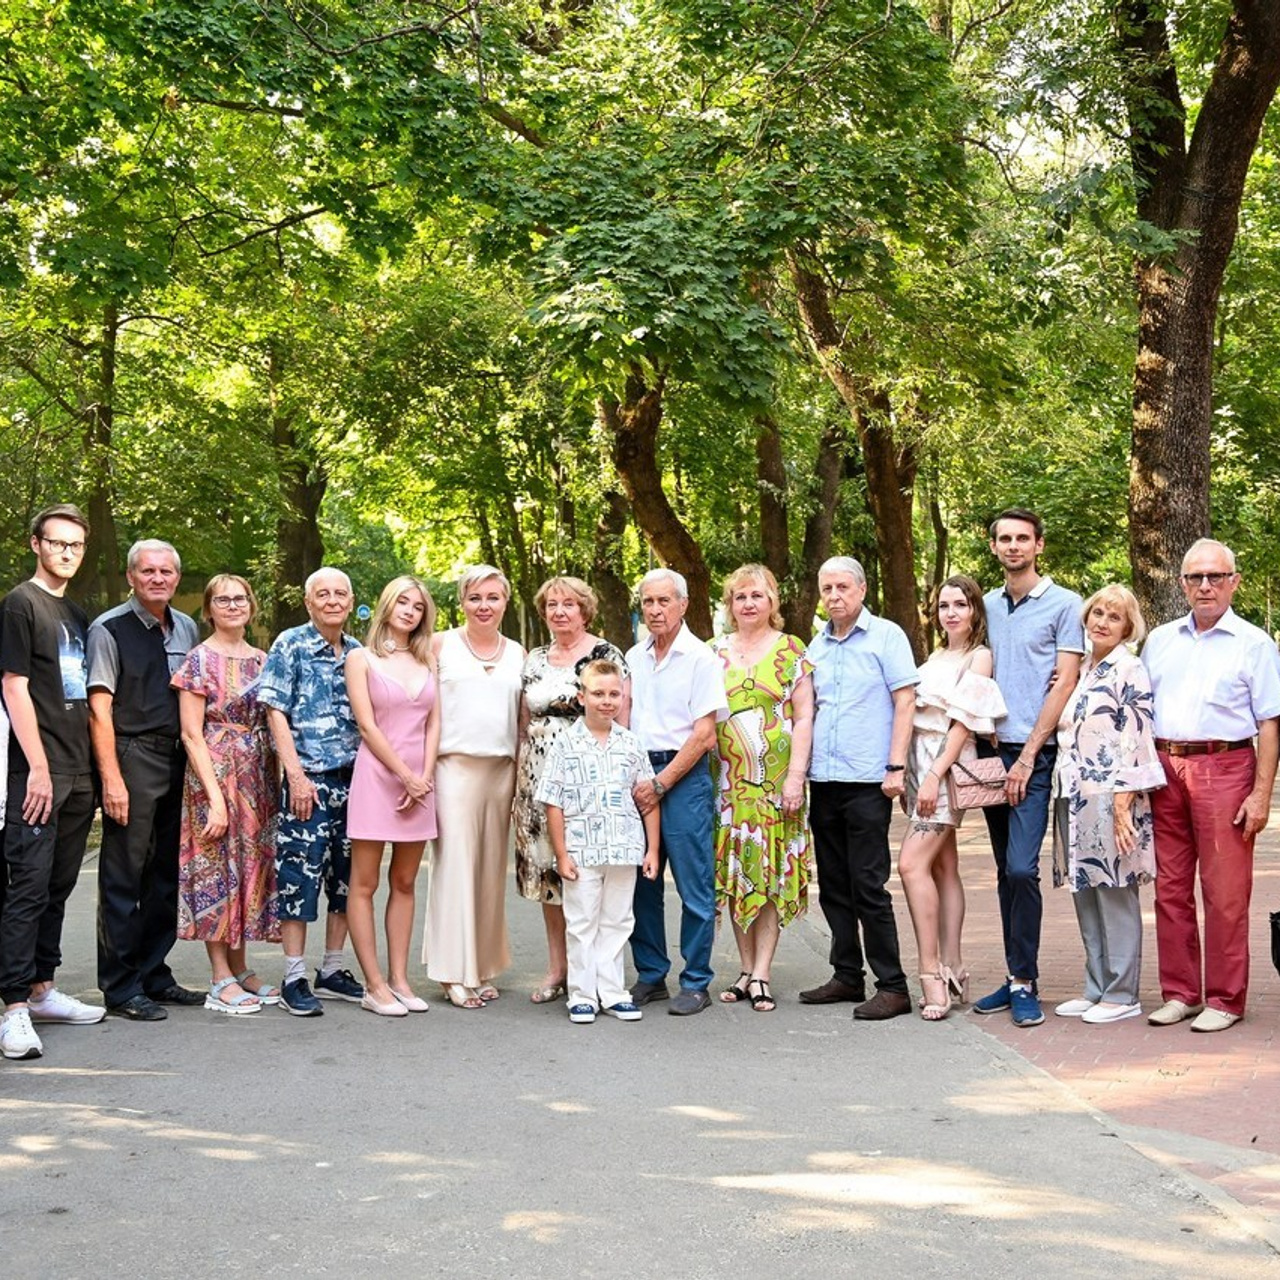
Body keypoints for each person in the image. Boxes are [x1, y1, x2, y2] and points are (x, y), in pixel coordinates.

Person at [1142, 538, 1280, 1032]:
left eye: (1216, 577)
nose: (1206, 585)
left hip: (1225, 768)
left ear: (1233, 582)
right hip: (1165, 770)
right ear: (1182, 584)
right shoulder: (1159, 640)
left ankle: (1225, 997)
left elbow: (1269, 723)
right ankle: (1181, 993)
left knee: (1224, 891)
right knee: (1170, 888)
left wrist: (1261, 793)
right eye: (1196, 577)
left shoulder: (1254, 643)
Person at [0, 504, 103, 1061]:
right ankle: (13, 1007)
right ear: (35, 544)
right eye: (58, 542)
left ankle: (42, 989)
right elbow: (14, 686)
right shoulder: (20, 604)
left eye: (76, 545)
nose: (67, 552)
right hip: (36, 771)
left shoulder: (78, 614)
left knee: (59, 886)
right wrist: (36, 765)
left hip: (78, 770)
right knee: (27, 888)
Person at [976, 508, 1084, 1028]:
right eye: (1005, 538)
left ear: (1039, 545)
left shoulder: (1065, 605)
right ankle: (1018, 973)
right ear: (994, 546)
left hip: (1034, 756)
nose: (1014, 546)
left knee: (1022, 867)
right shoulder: (987, 605)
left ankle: (1024, 982)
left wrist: (1025, 756)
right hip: (988, 752)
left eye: (1023, 538)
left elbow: (1063, 683)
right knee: (1004, 872)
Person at [87, 539, 203, 1020]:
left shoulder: (188, 627)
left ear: (176, 577)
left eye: (166, 571)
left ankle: (154, 973)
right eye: (148, 571)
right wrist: (111, 778)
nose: (158, 578)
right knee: (123, 875)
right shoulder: (107, 629)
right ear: (133, 576)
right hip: (133, 755)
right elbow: (99, 709)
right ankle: (120, 985)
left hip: (179, 757)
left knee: (167, 876)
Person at [801, 556, 917, 1020]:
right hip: (824, 781)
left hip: (869, 779)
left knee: (869, 884)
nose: (834, 596)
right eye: (826, 588)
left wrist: (896, 767)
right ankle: (847, 975)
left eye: (842, 587)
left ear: (863, 589)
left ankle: (893, 985)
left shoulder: (887, 636)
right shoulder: (817, 646)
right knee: (832, 884)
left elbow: (904, 701)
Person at [1051, 585, 1165, 1024]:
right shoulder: (1081, 669)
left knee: (1115, 891)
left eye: (1113, 617)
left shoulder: (1128, 668)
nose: (1102, 621)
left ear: (1128, 627)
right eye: (1097, 612)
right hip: (1072, 791)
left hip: (1110, 794)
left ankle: (1122, 993)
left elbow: (1136, 736)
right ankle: (1096, 986)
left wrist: (1123, 804)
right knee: (1085, 890)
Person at [514, 575, 629, 1005]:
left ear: (585, 609)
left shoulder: (605, 654)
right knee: (551, 876)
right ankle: (558, 968)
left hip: (590, 781)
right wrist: (517, 785)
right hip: (537, 778)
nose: (559, 611)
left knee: (591, 873)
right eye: (551, 605)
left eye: (569, 604)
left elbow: (622, 717)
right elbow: (521, 724)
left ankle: (599, 972)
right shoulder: (535, 659)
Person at [897, 575, 1006, 1021]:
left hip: (944, 766)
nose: (951, 613)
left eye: (960, 604)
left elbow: (964, 721)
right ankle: (956, 965)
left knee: (910, 864)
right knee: (944, 866)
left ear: (975, 609)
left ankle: (931, 974)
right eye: (944, 605)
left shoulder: (980, 656)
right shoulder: (936, 656)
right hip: (917, 764)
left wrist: (934, 775)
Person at [258, 567, 365, 1016]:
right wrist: (296, 776)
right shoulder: (291, 644)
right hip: (310, 784)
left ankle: (333, 969)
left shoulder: (359, 652)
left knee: (346, 879)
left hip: (357, 782)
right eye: (323, 594)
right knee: (298, 879)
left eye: (341, 593)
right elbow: (275, 711)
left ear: (351, 599)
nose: (333, 601)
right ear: (308, 601)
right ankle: (294, 976)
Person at [171, 575, 281, 1014]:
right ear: (209, 609)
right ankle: (219, 977)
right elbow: (190, 734)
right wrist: (215, 797)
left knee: (249, 867)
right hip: (213, 773)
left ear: (251, 606)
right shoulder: (198, 660)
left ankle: (241, 968)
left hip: (257, 777)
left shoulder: (263, 659)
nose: (232, 605)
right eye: (223, 599)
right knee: (215, 867)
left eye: (240, 598)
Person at [709, 565, 814, 1013]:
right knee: (737, 876)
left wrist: (795, 777)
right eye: (740, 597)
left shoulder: (792, 650)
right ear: (730, 606)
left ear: (773, 601)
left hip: (775, 788)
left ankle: (764, 972)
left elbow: (805, 715)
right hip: (729, 790)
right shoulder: (714, 653)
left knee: (768, 877)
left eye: (757, 595)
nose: (748, 603)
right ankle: (745, 968)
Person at [627, 568, 728, 1017]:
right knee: (640, 882)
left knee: (693, 883)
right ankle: (651, 975)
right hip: (637, 772)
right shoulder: (632, 656)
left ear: (683, 605)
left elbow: (705, 734)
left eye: (664, 601)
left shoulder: (701, 658)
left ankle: (696, 981)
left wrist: (662, 783)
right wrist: (638, 781)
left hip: (682, 775)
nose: (655, 610)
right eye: (648, 602)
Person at [537, 659, 659, 1024]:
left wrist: (652, 849)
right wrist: (561, 854)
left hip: (624, 847)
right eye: (598, 693)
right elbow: (553, 801)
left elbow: (647, 800)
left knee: (618, 920)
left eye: (614, 694)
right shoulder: (566, 744)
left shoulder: (631, 744)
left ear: (623, 697)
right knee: (582, 920)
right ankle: (582, 994)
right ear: (582, 696)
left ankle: (613, 992)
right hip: (581, 849)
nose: (607, 701)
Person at [425, 565, 524, 1009]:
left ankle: (482, 965)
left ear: (505, 601)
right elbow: (421, 710)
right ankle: (452, 972)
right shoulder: (440, 645)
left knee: (488, 872)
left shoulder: (519, 653)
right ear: (462, 602)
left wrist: (522, 777)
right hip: (453, 769)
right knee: (455, 868)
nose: (484, 606)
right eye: (475, 598)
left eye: (493, 597)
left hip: (501, 771)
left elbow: (522, 722)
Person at [345, 575, 440, 1017]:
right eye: (402, 602)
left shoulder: (428, 658)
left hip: (420, 782)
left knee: (404, 882)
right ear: (386, 605)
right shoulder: (359, 659)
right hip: (379, 778)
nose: (409, 611)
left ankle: (400, 979)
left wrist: (422, 776)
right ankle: (374, 984)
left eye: (417, 606)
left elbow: (434, 723)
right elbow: (367, 726)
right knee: (364, 883)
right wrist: (404, 775)